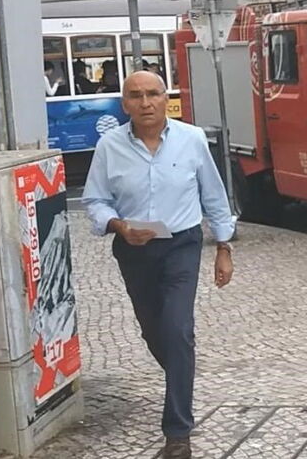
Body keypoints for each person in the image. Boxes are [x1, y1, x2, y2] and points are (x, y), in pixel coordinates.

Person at [82, 71, 235, 459]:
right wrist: (118, 225)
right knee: (155, 332)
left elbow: (214, 196)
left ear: (167, 98)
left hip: (181, 244)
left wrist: (224, 247)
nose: (145, 102)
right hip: (134, 249)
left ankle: (177, 433)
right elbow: (95, 201)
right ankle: (180, 375)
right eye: (135, 95)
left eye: (153, 94)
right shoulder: (109, 146)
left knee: (178, 328)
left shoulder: (192, 140)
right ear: (124, 104)